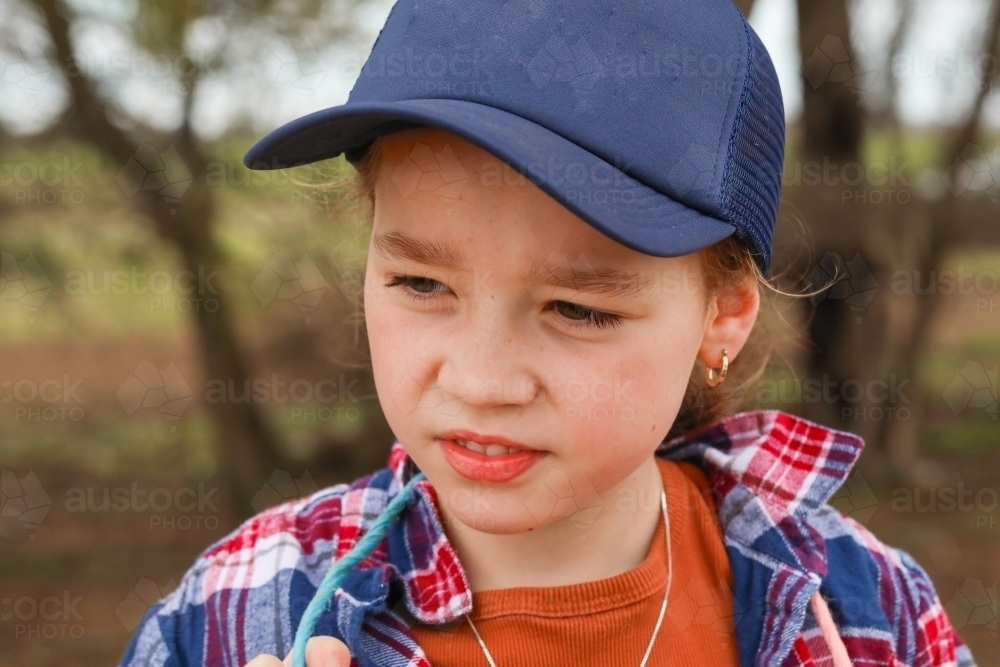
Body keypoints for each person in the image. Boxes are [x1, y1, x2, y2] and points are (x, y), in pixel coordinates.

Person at [119, 1, 975, 666]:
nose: (483, 382)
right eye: (422, 283)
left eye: (578, 308)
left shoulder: (867, 609)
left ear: (724, 317)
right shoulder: (237, 612)